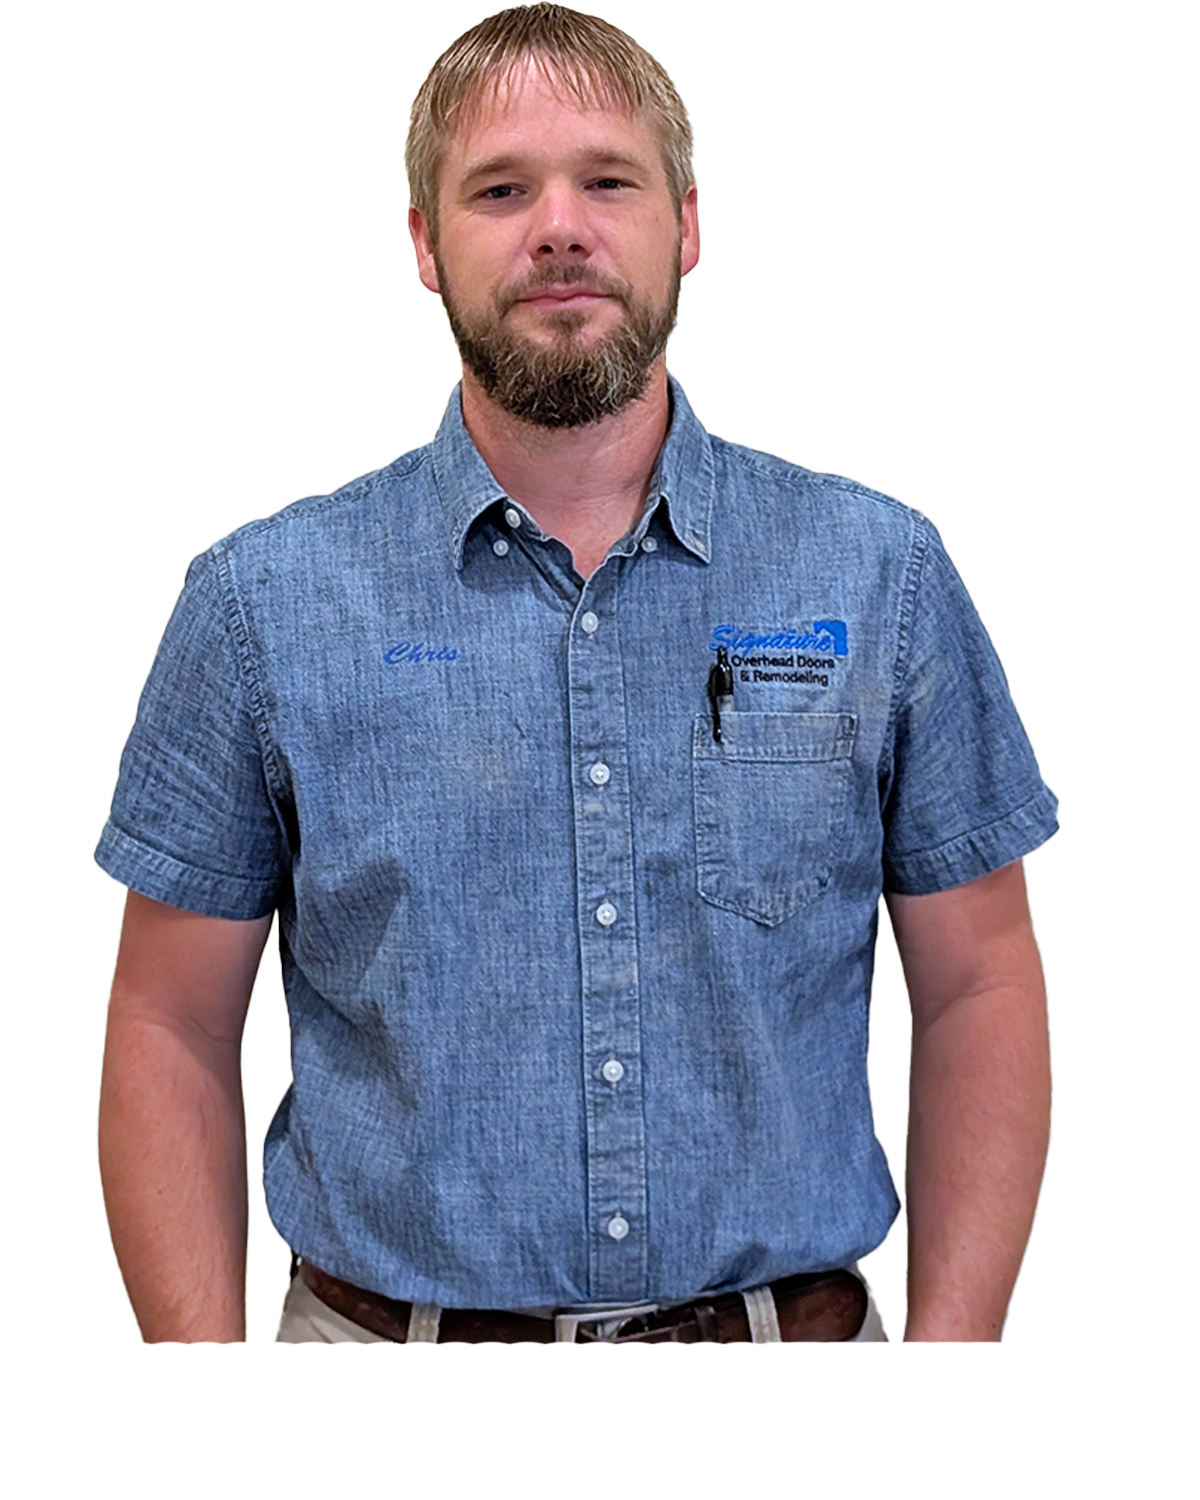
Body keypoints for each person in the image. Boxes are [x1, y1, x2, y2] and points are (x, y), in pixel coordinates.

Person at [96, 4, 1058, 1346]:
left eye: (609, 178)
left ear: (690, 223)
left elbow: (980, 987)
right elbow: (167, 1023)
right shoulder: (264, 605)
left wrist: (951, 1385)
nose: (560, 225)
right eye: (500, 189)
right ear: (427, 245)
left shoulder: (875, 573)